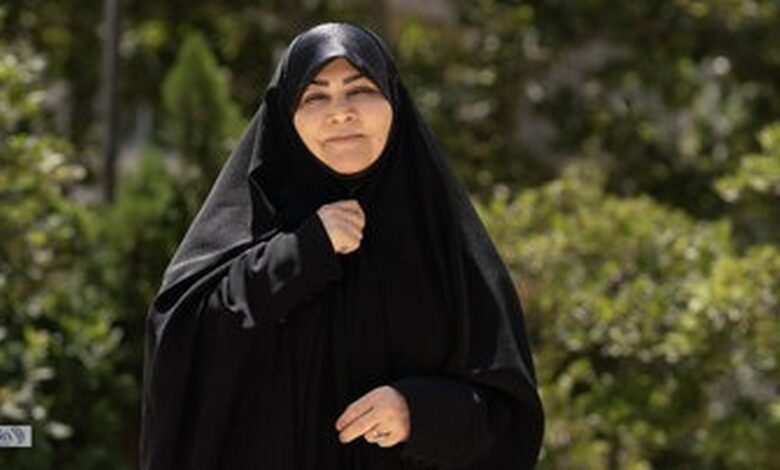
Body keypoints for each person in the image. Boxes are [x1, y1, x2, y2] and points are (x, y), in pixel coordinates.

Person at [139, 22, 544, 470]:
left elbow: (509, 417)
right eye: (315, 97)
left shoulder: (442, 244)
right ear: (285, 116)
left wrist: (420, 413)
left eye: (361, 90)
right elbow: (182, 345)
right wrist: (300, 252)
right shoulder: (248, 225)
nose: (341, 113)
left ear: (394, 101)